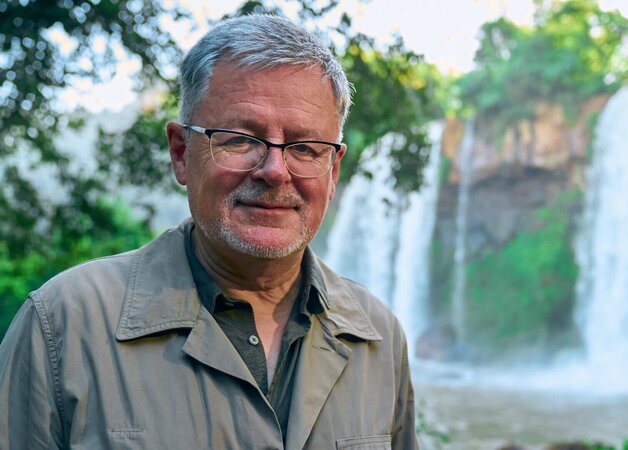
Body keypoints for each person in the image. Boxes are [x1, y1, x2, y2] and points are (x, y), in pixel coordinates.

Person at [0, 14, 417, 449]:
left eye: (305, 148)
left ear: (333, 172)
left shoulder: (378, 337)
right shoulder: (64, 325)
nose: (275, 171)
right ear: (181, 153)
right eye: (240, 139)